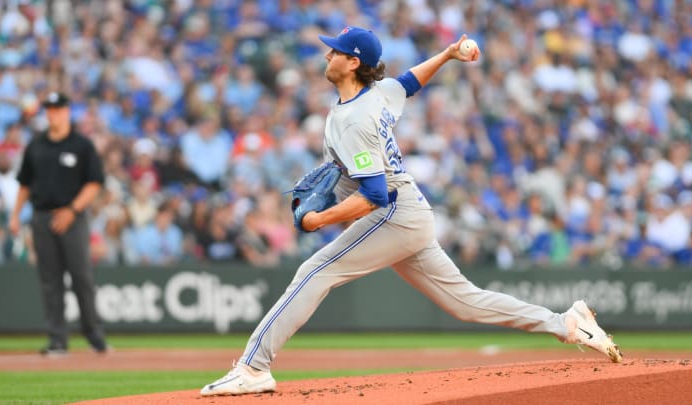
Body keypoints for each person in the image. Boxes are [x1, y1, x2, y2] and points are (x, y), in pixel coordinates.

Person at [200, 27, 622, 396]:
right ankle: (566, 323)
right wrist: (447, 55)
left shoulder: (357, 119)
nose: (327, 55)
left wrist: (316, 220)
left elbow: (374, 195)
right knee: (465, 302)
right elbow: (408, 82)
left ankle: (252, 368)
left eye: (335, 50)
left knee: (315, 272)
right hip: (412, 213)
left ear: (353, 62)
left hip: (394, 213)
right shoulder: (377, 93)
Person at [9, 92, 108, 356]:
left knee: (81, 277)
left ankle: (94, 334)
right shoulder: (36, 145)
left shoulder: (81, 145)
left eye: (58, 108)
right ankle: (57, 339)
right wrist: (15, 215)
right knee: (50, 280)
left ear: (67, 111)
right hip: (42, 216)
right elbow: (25, 183)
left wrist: (72, 210)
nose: (53, 113)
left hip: (73, 219)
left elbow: (94, 182)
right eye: (49, 109)